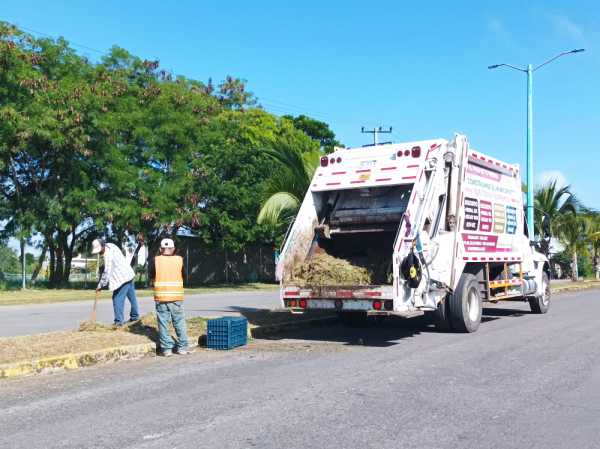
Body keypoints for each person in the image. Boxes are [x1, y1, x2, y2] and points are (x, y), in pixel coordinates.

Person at [150, 238, 190, 356]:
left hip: (161, 297)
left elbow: (151, 275)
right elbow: (185, 275)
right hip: (176, 297)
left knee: (163, 323)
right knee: (179, 322)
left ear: (160, 249)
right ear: (173, 249)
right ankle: (182, 348)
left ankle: (167, 349)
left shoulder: (155, 260)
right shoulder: (179, 260)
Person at [93, 239, 140, 326]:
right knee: (132, 297)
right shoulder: (111, 245)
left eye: (99, 250)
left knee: (117, 298)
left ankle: (118, 322)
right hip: (128, 274)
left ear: (103, 246)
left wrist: (100, 285)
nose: (99, 253)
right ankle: (135, 317)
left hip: (121, 278)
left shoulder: (108, 255)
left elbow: (107, 272)